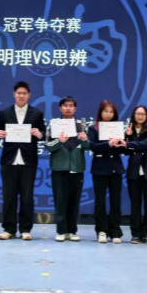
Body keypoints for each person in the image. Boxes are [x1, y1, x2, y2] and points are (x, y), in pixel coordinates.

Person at [0, 81, 46, 241]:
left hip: (28, 160)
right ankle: (9, 229)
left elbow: (43, 133)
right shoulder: (5, 112)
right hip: (9, 160)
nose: (21, 96)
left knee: (27, 197)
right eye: (19, 93)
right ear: (14, 95)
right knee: (8, 196)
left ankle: (25, 229)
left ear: (29, 95)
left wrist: (39, 134)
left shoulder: (36, 113)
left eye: (24, 93)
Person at [46, 96, 90, 242]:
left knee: (74, 201)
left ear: (75, 108)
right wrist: (59, 141)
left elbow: (87, 147)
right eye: (65, 105)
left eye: (71, 105)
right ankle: (61, 231)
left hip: (77, 168)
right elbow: (47, 146)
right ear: (60, 108)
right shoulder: (54, 125)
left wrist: (85, 140)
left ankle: (72, 231)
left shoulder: (81, 126)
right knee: (60, 201)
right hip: (59, 168)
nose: (68, 108)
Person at [120, 105, 147, 245]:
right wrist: (127, 136)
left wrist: (128, 144)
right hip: (134, 172)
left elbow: (146, 144)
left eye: (143, 114)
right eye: (138, 114)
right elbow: (125, 151)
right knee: (135, 205)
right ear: (133, 115)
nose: (140, 116)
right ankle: (136, 234)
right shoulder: (128, 131)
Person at [87, 100, 125, 244]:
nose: (108, 114)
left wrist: (123, 141)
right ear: (100, 112)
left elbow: (123, 150)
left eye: (111, 112)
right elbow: (92, 146)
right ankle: (101, 230)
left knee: (116, 202)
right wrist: (108, 144)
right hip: (100, 169)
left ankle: (115, 231)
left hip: (116, 169)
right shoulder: (93, 128)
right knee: (100, 202)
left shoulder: (118, 129)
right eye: (105, 111)